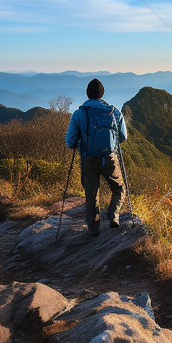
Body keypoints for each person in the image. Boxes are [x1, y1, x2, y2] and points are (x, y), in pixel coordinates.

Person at [65, 78, 128, 237]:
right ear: (102, 94)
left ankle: (94, 230)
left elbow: (70, 141)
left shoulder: (79, 113)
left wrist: (79, 142)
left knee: (92, 195)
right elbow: (123, 137)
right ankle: (113, 215)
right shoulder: (114, 112)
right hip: (109, 158)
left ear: (87, 93)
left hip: (88, 159)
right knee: (119, 188)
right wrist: (111, 144)